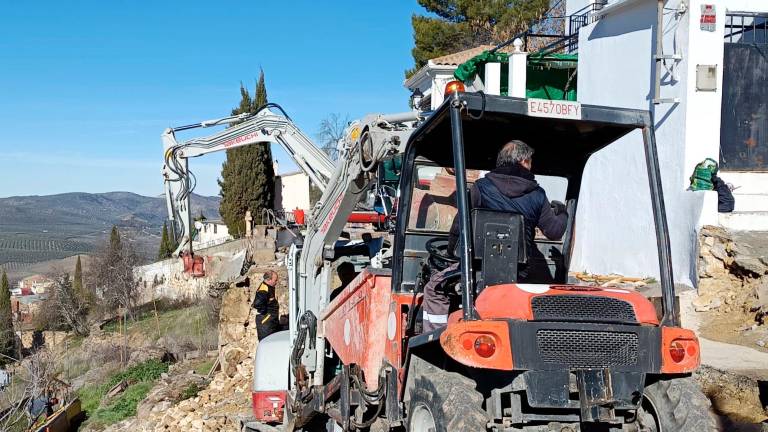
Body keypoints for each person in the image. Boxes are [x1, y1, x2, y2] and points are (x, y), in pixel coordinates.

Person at [422, 140, 569, 332]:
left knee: (434, 288)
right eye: (530, 161)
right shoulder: (538, 194)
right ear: (524, 161)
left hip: (475, 269)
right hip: (519, 273)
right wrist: (562, 212)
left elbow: (458, 226)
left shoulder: (481, 187)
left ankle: (435, 336)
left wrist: (452, 254)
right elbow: (554, 231)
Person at [252, 270, 280, 340]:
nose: (276, 282)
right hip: (265, 323)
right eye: (275, 280)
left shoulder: (269, 287)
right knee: (267, 342)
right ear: (269, 280)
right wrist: (267, 314)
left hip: (271, 321)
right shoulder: (263, 290)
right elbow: (257, 304)